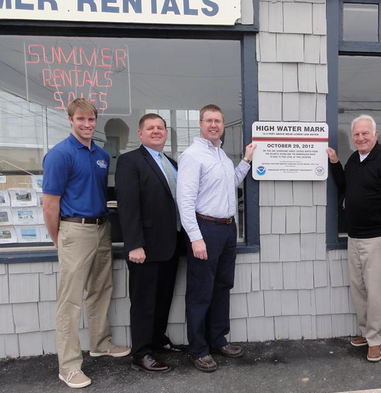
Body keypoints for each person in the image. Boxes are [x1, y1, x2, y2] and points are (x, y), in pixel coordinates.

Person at [42, 98, 130, 389]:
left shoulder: (102, 155)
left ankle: (100, 343)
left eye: (91, 119)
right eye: (81, 119)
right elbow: (49, 204)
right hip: (73, 230)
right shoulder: (60, 154)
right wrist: (59, 237)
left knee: (101, 288)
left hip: (101, 227)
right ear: (70, 120)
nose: (87, 124)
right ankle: (68, 366)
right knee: (69, 301)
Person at [177, 104, 256, 373]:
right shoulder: (193, 155)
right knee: (201, 292)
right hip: (205, 229)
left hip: (226, 229)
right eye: (209, 120)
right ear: (200, 124)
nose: (214, 125)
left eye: (218, 121)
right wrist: (196, 238)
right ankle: (199, 349)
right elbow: (185, 202)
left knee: (222, 286)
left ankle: (217, 338)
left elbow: (229, 183)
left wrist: (245, 161)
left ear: (223, 125)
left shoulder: (221, 155)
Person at [327, 114, 381, 362]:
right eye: (356, 134)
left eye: (365, 133)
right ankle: (365, 331)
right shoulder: (354, 159)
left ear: (375, 134)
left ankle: (376, 340)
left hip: (378, 238)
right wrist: (335, 163)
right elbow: (346, 185)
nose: (360, 137)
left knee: (375, 291)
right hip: (355, 237)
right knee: (359, 289)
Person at [115, 113, 188, 374]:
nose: (156, 131)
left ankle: (157, 340)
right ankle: (141, 353)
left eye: (160, 127)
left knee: (163, 298)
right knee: (145, 301)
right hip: (144, 247)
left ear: (166, 133)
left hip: (170, 244)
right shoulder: (130, 161)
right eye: (151, 128)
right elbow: (128, 206)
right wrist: (134, 244)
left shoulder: (172, 163)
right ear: (140, 133)